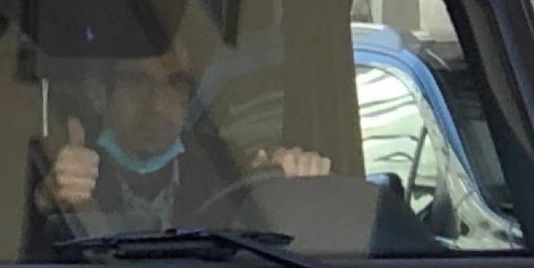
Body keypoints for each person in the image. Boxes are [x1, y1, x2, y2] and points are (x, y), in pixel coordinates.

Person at [36, 44, 331, 240]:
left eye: (174, 84)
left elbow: (258, 187)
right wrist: (48, 199)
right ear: (99, 93)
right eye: (138, 82)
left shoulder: (220, 162)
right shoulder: (67, 169)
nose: (157, 105)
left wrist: (289, 178)